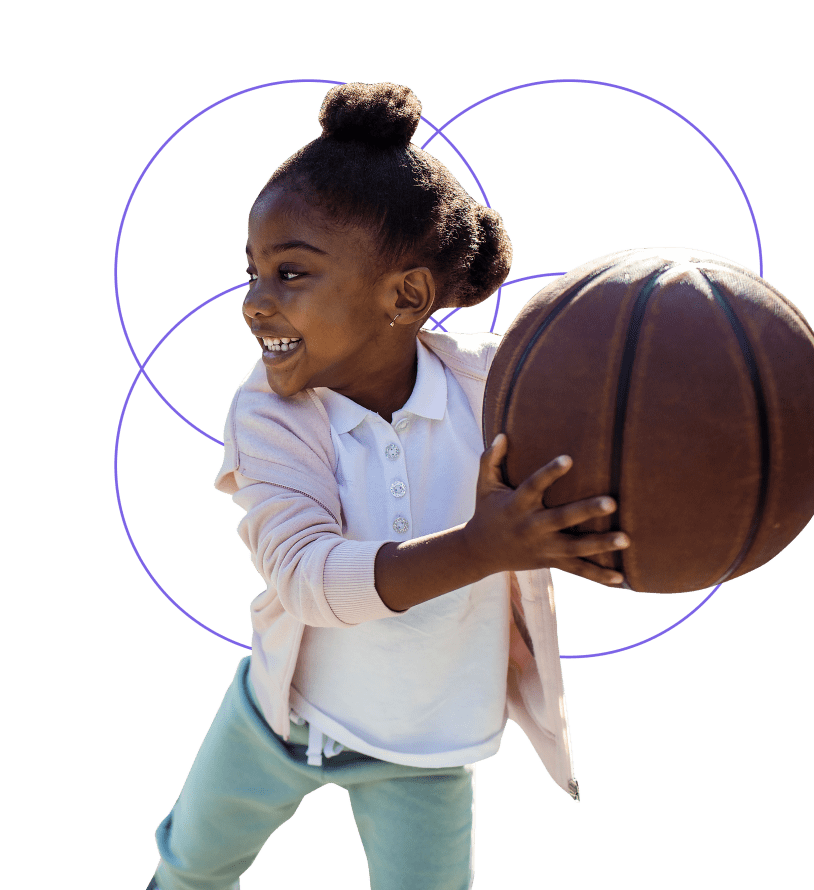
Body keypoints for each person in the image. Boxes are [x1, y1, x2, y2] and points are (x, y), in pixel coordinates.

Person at [146, 81, 630, 890]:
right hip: (283, 716)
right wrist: (482, 547)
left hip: (425, 745)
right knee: (191, 867)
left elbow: (610, 445)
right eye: (253, 271)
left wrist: (597, 526)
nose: (255, 304)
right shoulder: (269, 414)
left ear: (404, 296)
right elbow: (303, 576)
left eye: (290, 273)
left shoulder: (499, 384)